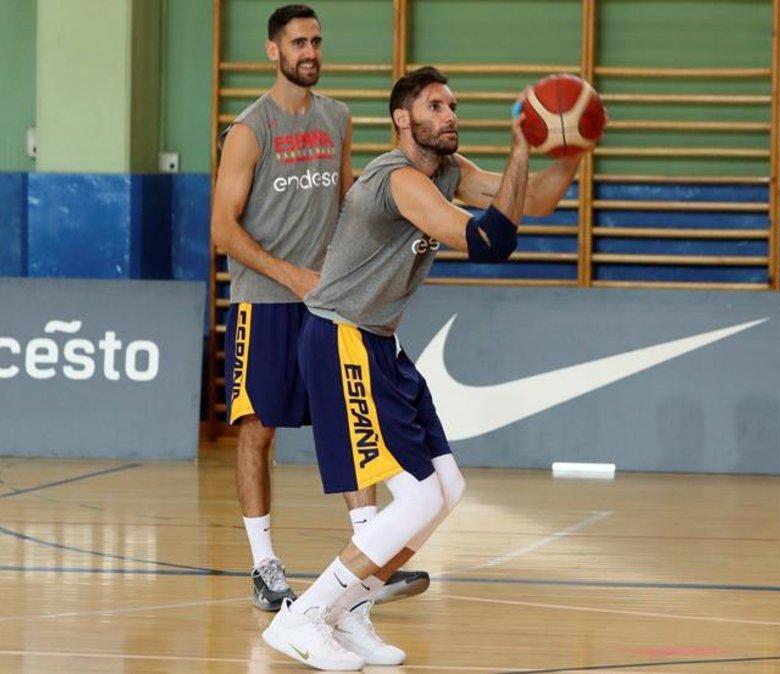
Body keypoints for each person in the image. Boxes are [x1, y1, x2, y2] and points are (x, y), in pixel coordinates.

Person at [260, 66, 587, 670]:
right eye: (436, 106)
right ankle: (303, 616)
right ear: (402, 120)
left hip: (379, 341)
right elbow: (492, 242)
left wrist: (572, 149)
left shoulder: (449, 173)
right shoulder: (398, 180)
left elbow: (533, 200)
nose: (450, 115)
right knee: (413, 501)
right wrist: (521, 145)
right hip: (340, 339)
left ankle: (350, 611)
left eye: (454, 105)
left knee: (446, 489)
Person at [210, 4, 426, 614]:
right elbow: (223, 230)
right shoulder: (251, 130)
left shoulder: (337, 119)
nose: (310, 51)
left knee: (349, 423)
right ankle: (263, 565)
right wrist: (292, 275)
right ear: (274, 51)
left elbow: (346, 202)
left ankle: (369, 552)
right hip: (266, 304)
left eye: (317, 41)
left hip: (329, 305)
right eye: (298, 42)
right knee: (258, 429)